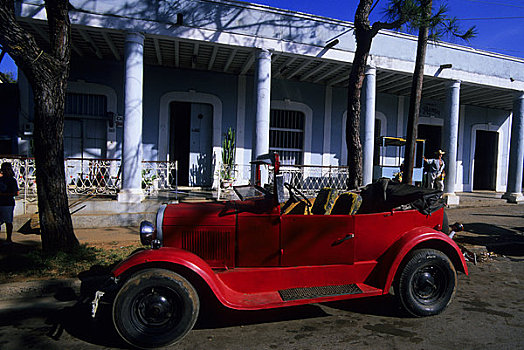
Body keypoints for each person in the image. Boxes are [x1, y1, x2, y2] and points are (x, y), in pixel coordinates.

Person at [0, 162, 19, 244]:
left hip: (8, 203)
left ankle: (9, 239)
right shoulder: (0, 179)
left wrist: (4, 194)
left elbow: (16, 193)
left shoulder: (12, 180)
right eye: (4, 169)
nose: (5, 171)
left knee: (8, 221)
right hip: (1, 203)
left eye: (7, 169)